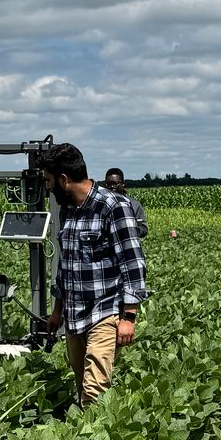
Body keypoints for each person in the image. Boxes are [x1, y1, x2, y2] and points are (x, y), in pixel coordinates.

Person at [45, 143, 146, 407]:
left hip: (104, 312)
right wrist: (57, 310)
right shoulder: (67, 209)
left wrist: (129, 317)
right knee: (81, 387)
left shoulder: (114, 207)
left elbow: (133, 263)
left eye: (48, 180)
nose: (47, 187)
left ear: (63, 180)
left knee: (94, 390)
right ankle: (88, 438)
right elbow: (65, 266)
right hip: (74, 316)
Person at [102, 167, 148, 238]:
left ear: (123, 184)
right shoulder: (101, 204)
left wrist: (128, 231)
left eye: (115, 183)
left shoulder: (134, 204)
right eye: (108, 184)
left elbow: (143, 228)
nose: (112, 186)